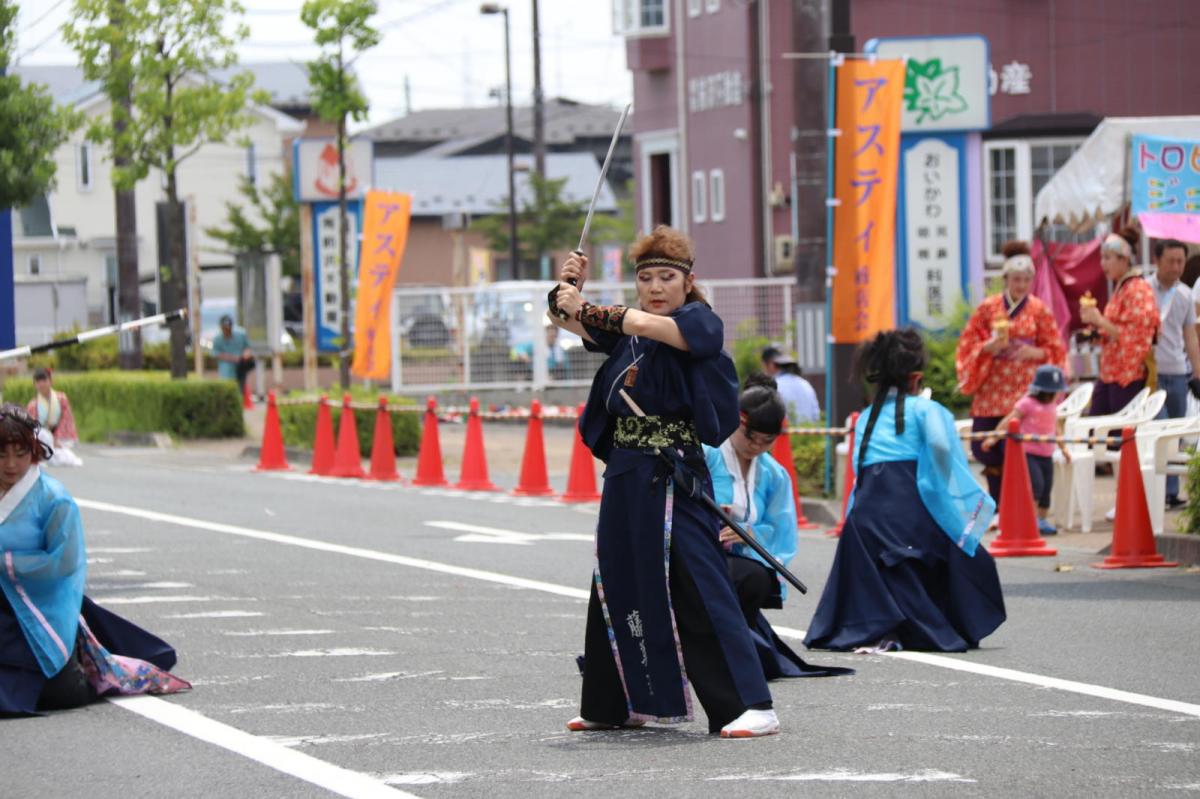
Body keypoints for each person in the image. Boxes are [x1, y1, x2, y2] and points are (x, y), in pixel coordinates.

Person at [549, 224, 779, 738]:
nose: (656, 288)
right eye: (647, 278)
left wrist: (586, 307)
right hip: (629, 471)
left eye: (667, 278)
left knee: (699, 583)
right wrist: (566, 290)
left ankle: (751, 703)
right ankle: (615, 702)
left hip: (674, 472)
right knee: (615, 579)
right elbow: (570, 321)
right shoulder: (630, 335)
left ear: (688, 281)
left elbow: (634, 324)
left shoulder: (697, 322)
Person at [804, 329, 1006, 653]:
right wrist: (942, 488)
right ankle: (934, 626)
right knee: (968, 556)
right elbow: (941, 447)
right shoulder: (926, 410)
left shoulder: (866, 416)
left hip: (866, 518)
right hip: (910, 507)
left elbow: (859, 468)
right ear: (916, 378)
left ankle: (879, 627)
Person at [0, 405, 189, 715]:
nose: (10, 464)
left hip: (36, 608)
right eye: (1, 454)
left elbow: (63, 563)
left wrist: (5, 563)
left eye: (20, 453)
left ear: (34, 451)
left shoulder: (53, 499)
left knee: (60, 694)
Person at [703, 379, 852, 680]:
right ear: (736, 420)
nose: (756, 447)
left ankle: (723, 646)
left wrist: (751, 533)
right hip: (700, 550)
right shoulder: (707, 455)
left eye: (766, 441)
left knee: (755, 578)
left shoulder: (774, 475)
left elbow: (781, 531)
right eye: (750, 437)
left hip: (740, 559)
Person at [956, 240, 1067, 504]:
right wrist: (989, 346)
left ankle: (1017, 505)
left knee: (1017, 447)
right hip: (992, 389)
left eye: (1026, 280)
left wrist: (1036, 353)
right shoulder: (988, 309)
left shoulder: (1039, 310)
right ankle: (997, 501)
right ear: (1006, 279)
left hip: (1024, 391)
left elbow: (1056, 348)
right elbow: (968, 343)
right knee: (983, 446)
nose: (1020, 285)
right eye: (1016, 279)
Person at [1079, 229, 1160, 416]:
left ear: (1124, 259)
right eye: (1102, 258)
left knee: (1118, 436)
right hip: (1110, 372)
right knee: (1097, 431)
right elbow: (1117, 330)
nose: (1103, 263)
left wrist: (1100, 320)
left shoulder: (1138, 288)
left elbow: (1138, 337)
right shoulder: (1122, 287)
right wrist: (1097, 332)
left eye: (1108, 258)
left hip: (1127, 375)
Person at [983, 365, 1071, 536]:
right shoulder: (1027, 403)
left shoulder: (1052, 405)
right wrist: (994, 437)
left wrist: (1064, 448)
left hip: (1047, 453)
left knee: (1046, 489)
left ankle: (1042, 520)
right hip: (1028, 453)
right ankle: (1032, 520)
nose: (1056, 394)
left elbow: (1056, 428)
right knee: (1036, 485)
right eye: (1054, 391)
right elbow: (1010, 420)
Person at [1147, 239, 1200, 509]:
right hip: (1152, 373)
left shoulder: (1185, 295)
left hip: (1178, 371)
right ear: (1157, 260)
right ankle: (1155, 490)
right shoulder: (1143, 289)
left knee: (1175, 434)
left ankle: (1170, 493)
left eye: (1181, 261)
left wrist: (1197, 374)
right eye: (1171, 261)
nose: (1176, 267)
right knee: (1158, 430)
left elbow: (1190, 335)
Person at [26, 368, 82, 467]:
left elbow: (66, 419)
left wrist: (56, 438)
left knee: (65, 456)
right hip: (42, 437)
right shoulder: (33, 404)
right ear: (34, 384)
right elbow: (32, 427)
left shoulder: (61, 398)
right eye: (38, 381)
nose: (41, 384)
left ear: (51, 381)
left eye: (44, 380)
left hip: (59, 436)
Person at [760, 347, 820, 423]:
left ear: (771, 364)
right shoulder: (805, 384)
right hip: (809, 433)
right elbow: (816, 415)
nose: (763, 371)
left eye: (763, 366)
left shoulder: (773, 386)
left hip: (785, 434)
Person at [211, 315, 254, 395]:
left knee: (240, 389)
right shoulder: (217, 339)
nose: (227, 330)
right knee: (226, 388)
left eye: (229, 328)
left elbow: (248, 348)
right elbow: (215, 354)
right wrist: (232, 358)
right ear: (221, 327)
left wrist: (245, 355)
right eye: (224, 328)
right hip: (225, 368)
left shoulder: (241, 334)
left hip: (240, 367)